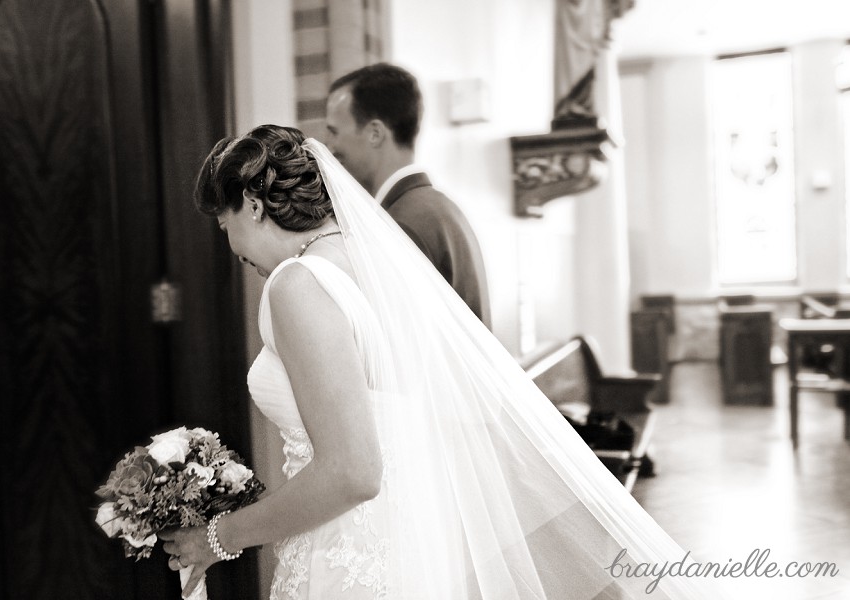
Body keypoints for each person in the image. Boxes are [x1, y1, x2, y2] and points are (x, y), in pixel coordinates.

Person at [159, 125, 725, 599]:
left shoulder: (298, 285)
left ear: (253, 206)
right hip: (420, 538)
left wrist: (219, 536)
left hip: (355, 553)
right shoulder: (379, 266)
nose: (229, 244)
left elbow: (353, 472)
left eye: (224, 221)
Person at [325, 63, 491, 327]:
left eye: (335, 132)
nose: (331, 148)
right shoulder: (439, 206)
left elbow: (407, 343)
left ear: (375, 133)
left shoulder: (400, 223)